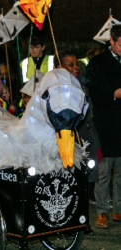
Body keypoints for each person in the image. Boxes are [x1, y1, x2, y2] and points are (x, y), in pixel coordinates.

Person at [54, 49, 101, 204]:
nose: (76, 67)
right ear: (60, 67)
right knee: (73, 163)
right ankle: (77, 193)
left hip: (88, 129)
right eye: (70, 64)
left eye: (76, 63)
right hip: (71, 132)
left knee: (91, 161)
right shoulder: (57, 87)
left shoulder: (83, 84)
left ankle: (89, 192)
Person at [86, 24, 121, 228]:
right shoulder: (98, 63)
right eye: (120, 45)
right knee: (103, 172)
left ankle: (118, 210)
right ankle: (101, 212)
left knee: (120, 173)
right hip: (105, 125)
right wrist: (113, 94)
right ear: (112, 41)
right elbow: (94, 92)